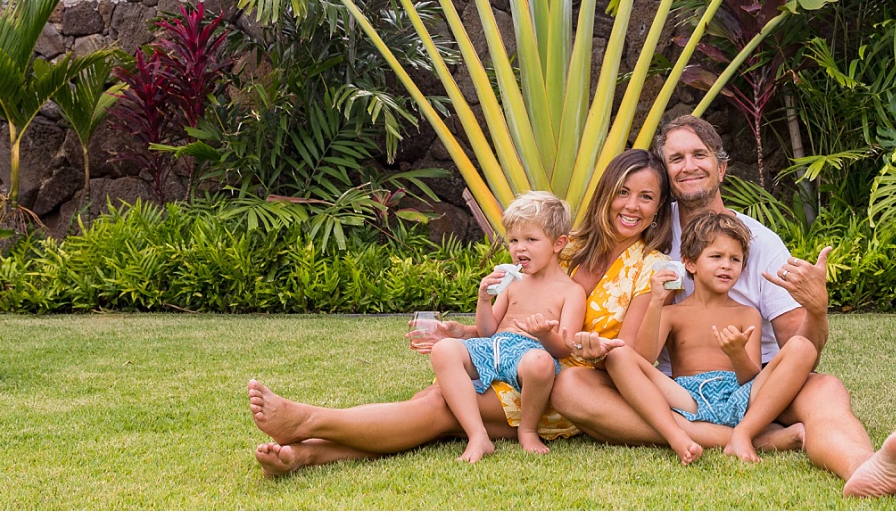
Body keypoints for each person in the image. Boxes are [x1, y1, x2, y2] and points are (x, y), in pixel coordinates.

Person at [551, 114, 896, 498]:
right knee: (571, 388)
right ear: (665, 174)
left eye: (699, 155)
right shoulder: (649, 226)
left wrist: (817, 310)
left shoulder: (761, 243)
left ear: (721, 168)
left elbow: (800, 348)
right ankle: (752, 438)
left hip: (755, 385)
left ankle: (862, 466)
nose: (688, 167)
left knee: (825, 390)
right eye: (676, 159)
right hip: (671, 390)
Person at [245, 149, 676, 475]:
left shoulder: (650, 267)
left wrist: (590, 345)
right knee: (435, 408)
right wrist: (465, 330)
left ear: (659, 207)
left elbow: (636, 355)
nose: (632, 206)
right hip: (512, 359)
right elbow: (517, 314)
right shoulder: (569, 243)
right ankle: (304, 454)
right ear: (606, 193)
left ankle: (306, 421)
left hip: (562, 385)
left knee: (437, 405)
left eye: (646, 197)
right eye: (623, 192)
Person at [606, 209, 818, 464]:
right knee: (618, 356)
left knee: (802, 347)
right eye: (716, 256)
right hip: (687, 399)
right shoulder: (672, 314)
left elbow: (750, 378)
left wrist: (736, 354)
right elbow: (643, 359)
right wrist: (655, 303)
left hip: (741, 397)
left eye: (735, 259)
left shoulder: (747, 314)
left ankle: (745, 433)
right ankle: (677, 436)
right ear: (690, 263)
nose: (726, 265)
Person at [431, 191, 582, 461]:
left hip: (529, 354)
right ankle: (477, 434)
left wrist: (545, 334)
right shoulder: (513, 282)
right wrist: (484, 299)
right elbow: (488, 331)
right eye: (513, 240)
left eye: (531, 240)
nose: (519, 248)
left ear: (558, 243)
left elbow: (564, 349)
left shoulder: (571, 292)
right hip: (494, 347)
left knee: (540, 362)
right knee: (444, 349)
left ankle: (528, 430)